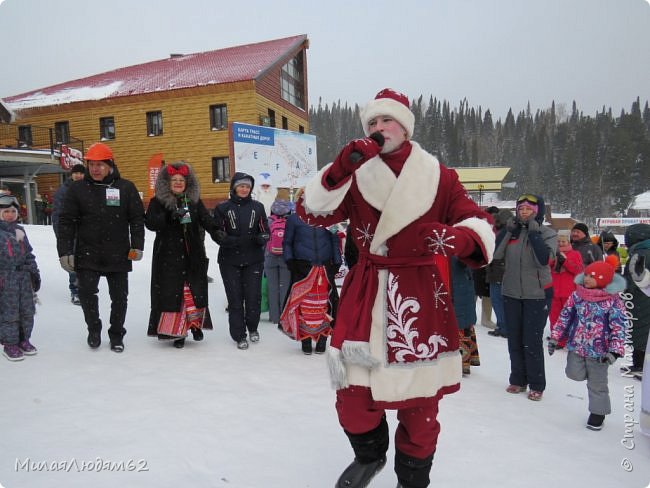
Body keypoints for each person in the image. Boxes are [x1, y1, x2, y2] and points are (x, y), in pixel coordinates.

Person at [295, 88, 494, 488]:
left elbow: (478, 222)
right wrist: (338, 171)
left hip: (420, 293)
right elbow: (311, 212)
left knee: (421, 404)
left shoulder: (439, 175)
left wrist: (455, 238)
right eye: (372, 122)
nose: (379, 128)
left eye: (387, 121)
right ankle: (370, 454)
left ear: (404, 127)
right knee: (353, 395)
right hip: (367, 290)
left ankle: (413, 477)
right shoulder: (355, 173)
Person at [56, 142, 145, 353]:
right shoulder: (77, 189)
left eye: (100, 165)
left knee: (120, 297)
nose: (95, 169)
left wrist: (137, 246)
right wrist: (65, 251)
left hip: (118, 252)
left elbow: (136, 219)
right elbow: (66, 221)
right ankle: (94, 329)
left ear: (110, 165)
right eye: (91, 164)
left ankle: (116, 334)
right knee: (86, 293)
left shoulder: (125, 187)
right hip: (87, 252)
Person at [145, 162, 220, 348]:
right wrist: (169, 216)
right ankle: (177, 332)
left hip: (192, 255)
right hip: (168, 257)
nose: (178, 183)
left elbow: (206, 219)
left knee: (193, 293)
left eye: (181, 180)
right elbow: (151, 223)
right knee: (174, 294)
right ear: (167, 183)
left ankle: (195, 325)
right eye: (174, 180)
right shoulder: (157, 202)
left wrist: (218, 233)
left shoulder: (193, 201)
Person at [548, 255, 627, 430]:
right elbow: (565, 317)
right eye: (587, 274)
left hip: (600, 352)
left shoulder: (613, 302)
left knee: (597, 384)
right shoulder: (577, 296)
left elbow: (619, 327)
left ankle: (598, 413)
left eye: (593, 276)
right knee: (573, 374)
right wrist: (555, 337)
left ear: (603, 280)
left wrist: (614, 351)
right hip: (577, 346)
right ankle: (588, 376)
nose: (587, 278)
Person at [494, 194, 556, 401]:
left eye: (529, 209)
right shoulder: (511, 233)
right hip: (511, 292)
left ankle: (537, 384)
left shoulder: (547, 233)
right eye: (521, 208)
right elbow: (496, 255)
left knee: (531, 340)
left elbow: (544, 259)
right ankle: (518, 379)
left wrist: (534, 233)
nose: (524, 212)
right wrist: (507, 232)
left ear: (537, 212)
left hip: (537, 294)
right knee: (515, 338)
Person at [213, 172, 269, 350]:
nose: (244, 189)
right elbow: (217, 233)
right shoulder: (223, 208)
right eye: (241, 186)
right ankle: (239, 335)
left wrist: (262, 237)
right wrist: (229, 240)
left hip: (254, 259)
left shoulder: (258, 207)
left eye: (247, 186)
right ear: (234, 188)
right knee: (235, 299)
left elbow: (265, 229)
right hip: (229, 260)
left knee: (253, 298)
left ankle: (252, 328)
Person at [281, 208, 342, 355]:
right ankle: (305, 339)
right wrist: (290, 261)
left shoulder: (328, 217)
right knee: (303, 304)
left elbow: (335, 240)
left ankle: (322, 338)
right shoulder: (294, 219)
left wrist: (337, 261)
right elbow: (287, 242)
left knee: (324, 303)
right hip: (303, 266)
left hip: (324, 267)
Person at [0, 194, 40, 361]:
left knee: (27, 310)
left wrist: (34, 272)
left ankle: (24, 339)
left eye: (13, 211)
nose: (10, 214)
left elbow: (28, 254)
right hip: (5, 278)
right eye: (6, 211)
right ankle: (9, 343)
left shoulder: (19, 230)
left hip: (23, 277)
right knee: (9, 312)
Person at [52, 163, 86, 305]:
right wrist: (61, 234)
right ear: (71, 174)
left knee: (85, 263)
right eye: (75, 173)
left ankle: (85, 289)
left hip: (85, 234)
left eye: (81, 173)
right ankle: (76, 291)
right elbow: (57, 214)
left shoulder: (89, 188)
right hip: (70, 234)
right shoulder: (64, 191)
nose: (78, 175)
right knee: (72, 263)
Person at [622, 223, 650, 380]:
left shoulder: (639, 254)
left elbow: (634, 279)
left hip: (640, 299)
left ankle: (640, 366)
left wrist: (625, 294)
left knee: (639, 331)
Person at [548, 230, 583, 348]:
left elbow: (578, 270)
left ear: (568, 241)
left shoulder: (575, 254)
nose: (561, 243)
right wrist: (553, 260)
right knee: (554, 317)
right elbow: (547, 266)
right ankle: (556, 338)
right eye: (559, 241)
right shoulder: (553, 252)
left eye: (563, 241)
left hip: (568, 291)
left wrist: (566, 262)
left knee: (567, 317)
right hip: (554, 290)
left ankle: (566, 340)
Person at [264, 199, 292, 327]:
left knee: (272, 287)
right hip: (286, 258)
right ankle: (284, 316)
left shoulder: (268, 222)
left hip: (270, 257)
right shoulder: (291, 222)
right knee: (285, 288)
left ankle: (274, 317)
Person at [486, 208, 513, 337]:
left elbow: (495, 250)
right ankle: (502, 326)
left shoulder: (504, 233)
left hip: (498, 270)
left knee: (498, 300)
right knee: (498, 300)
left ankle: (503, 327)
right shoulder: (506, 232)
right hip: (498, 269)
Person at [450, 257, 479, 376]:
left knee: (461, 320)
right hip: (452, 280)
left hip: (459, 282)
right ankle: (458, 361)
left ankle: (462, 361)